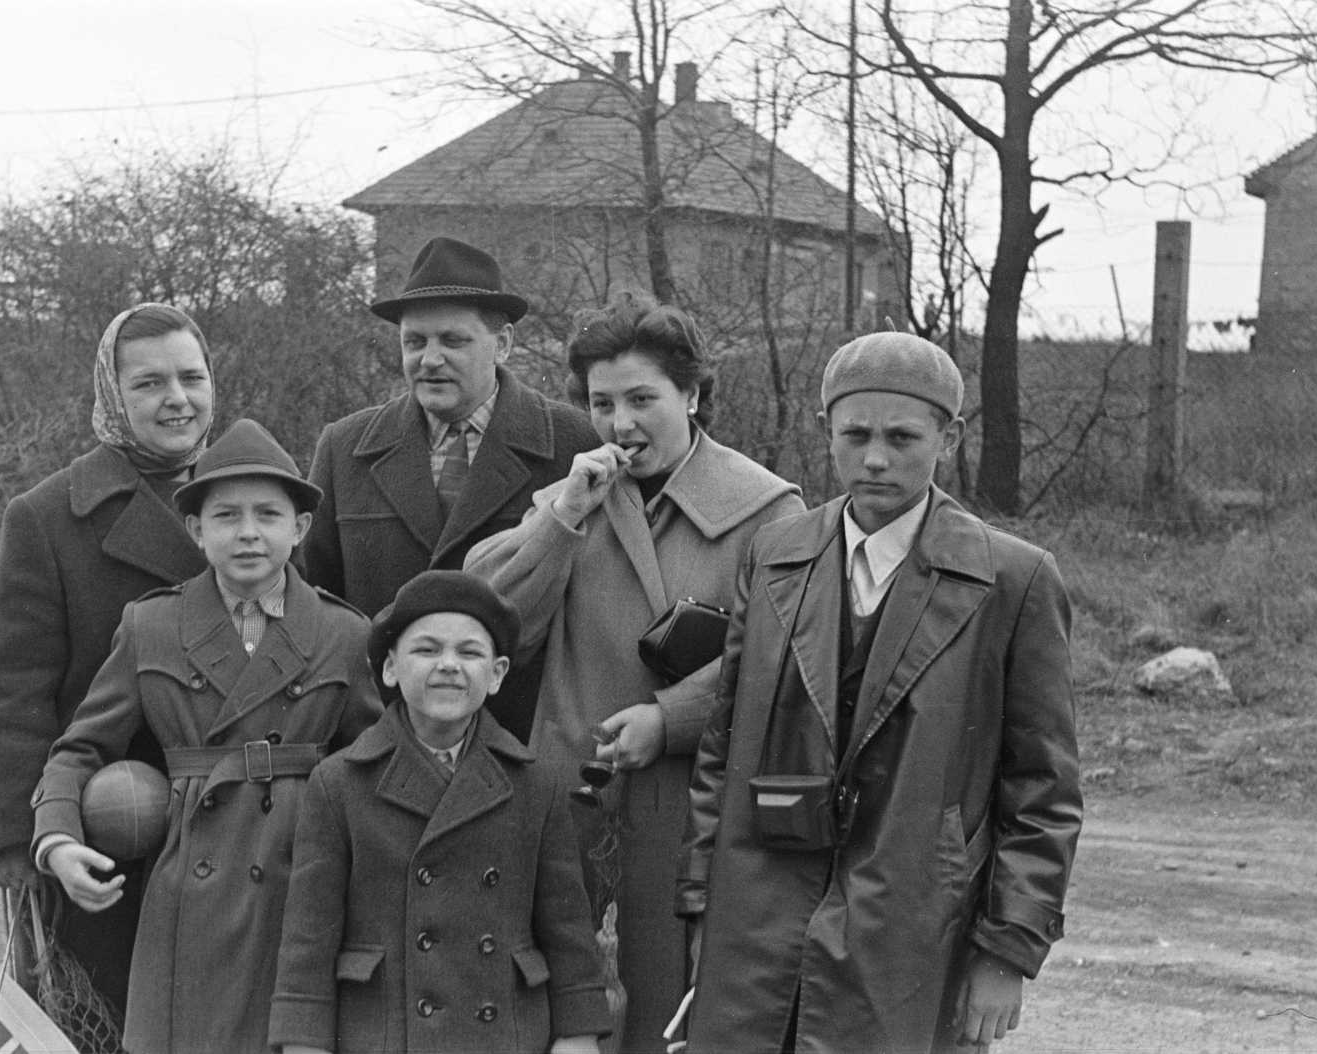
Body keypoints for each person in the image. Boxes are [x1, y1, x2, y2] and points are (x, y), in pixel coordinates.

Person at [677, 332, 1082, 1052]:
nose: (874, 459)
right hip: (759, 914)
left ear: (949, 437)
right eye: (855, 434)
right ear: (825, 431)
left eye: (902, 437)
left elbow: (1042, 789)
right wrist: (706, 902)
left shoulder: (1010, 582)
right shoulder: (775, 556)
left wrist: (1008, 950)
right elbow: (723, 746)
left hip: (914, 924)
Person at [465, 290, 804, 1053]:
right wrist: (560, 521)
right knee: (560, 1019)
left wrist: (669, 719)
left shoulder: (768, 512)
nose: (621, 424)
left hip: (694, 813)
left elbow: (784, 660)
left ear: (691, 395)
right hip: (566, 812)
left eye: (643, 398)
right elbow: (484, 630)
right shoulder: (571, 499)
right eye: (602, 402)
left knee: (670, 1014)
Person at [33, 418, 382, 1054]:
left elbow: (378, 765)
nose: (248, 532)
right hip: (188, 892)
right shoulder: (152, 625)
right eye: (225, 516)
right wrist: (57, 839)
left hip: (303, 879)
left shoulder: (343, 633)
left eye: (269, 514)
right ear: (196, 531)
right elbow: (80, 748)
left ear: (299, 529)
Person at [0, 302, 214, 1020]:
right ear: (112, 395)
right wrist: (18, 842)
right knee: (95, 1021)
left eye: (191, 377)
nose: (177, 400)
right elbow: (15, 690)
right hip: (102, 833)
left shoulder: (257, 495)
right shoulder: (49, 517)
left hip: (231, 832)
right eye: (148, 384)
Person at [269, 571, 611, 1054]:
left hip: (506, 1034)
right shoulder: (339, 782)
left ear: (496, 674)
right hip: (384, 1033)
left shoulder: (536, 782)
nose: (449, 665)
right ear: (389, 669)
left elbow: (567, 930)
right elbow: (308, 940)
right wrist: (304, 1045)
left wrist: (577, 1036)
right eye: (426, 650)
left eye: (469, 653)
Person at [303, 236, 599, 739]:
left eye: (452, 341)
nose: (430, 359)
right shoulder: (345, 448)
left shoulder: (573, 443)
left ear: (502, 343)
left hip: (519, 741)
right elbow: (316, 603)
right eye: (414, 342)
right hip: (378, 739)